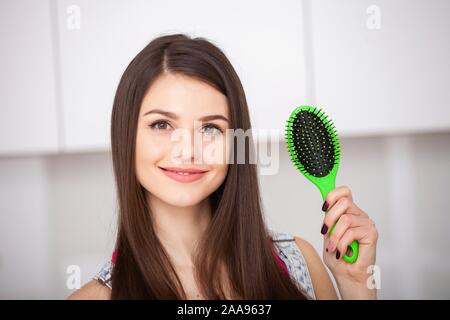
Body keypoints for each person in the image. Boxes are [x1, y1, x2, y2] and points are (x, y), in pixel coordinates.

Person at [68, 33, 378, 300]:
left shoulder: (300, 263)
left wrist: (356, 286)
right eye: (162, 124)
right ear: (126, 136)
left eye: (211, 129)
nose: (188, 151)